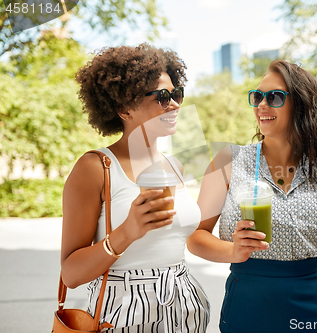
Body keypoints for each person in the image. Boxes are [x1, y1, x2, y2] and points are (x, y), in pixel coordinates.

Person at [61, 43, 210, 332]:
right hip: (123, 311)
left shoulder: (175, 165)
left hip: (185, 305)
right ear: (123, 108)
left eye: (176, 94)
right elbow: (71, 273)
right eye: (162, 97)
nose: (175, 104)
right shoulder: (95, 168)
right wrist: (128, 231)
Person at [187, 60, 317, 332]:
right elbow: (195, 237)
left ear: (302, 104)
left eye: (274, 97)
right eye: (257, 96)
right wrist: (233, 251)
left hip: (315, 305)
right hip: (249, 304)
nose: (261, 104)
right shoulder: (228, 161)